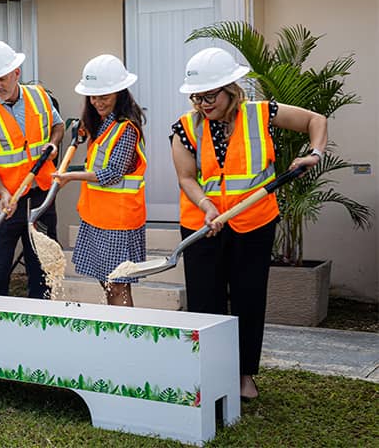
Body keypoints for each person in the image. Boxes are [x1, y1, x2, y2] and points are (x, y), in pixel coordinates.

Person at [170, 46, 327, 401]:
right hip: (202, 224)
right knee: (205, 301)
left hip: (254, 222)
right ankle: (208, 374)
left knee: (248, 297)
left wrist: (315, 152)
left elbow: (316, 121)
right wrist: (207, 205)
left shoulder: (261, 113)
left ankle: (244, 376)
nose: (203, 103)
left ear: (231, 89)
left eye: (210, 95)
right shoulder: (184, 127)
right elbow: (186, 178)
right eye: (197, 96)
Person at [0, 40, 64, 299]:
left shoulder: (40, 97)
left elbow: (58, 126)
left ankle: (42, 320)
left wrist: (53, 145)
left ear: (16, 73)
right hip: (6, 202)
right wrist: (2, 192)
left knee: (42, 266)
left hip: (40, 197)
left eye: (2, 78)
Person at [52, 54, 147, 306]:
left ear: (119, 93)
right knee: (107, 283)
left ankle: (126, 337)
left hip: (119, 221)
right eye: (93, 97)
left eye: (103, 96)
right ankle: (116, 332)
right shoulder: (104, 124)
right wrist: (84, 131)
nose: (96, 102)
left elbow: (112, 173)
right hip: (98, 217)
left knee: (118, 285)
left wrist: (70, 176)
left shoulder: (126, 128)